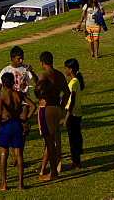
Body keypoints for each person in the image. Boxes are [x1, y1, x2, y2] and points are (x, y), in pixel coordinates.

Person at [0, 72, 35, 191]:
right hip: (17, 124)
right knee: (18, 154)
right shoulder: (19, 95)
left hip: (6, 125)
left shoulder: (2, 98)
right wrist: (26, 117)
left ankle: (4, 183)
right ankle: (20, 183)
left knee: (4, 153)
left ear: (3, 84)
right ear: (13, 82)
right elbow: (33, 106)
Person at [34, 51, 70, 181]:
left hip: (47, 108)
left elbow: (37, 89)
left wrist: (40, 98)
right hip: (57, 109)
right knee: (53, 139)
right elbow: (67, 92)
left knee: (49, 142)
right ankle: (52, 170)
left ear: (42, 63)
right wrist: (61, 106)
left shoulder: (45, 75)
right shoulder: (59, 75)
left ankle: (53, 172)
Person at [62, 58, 85, 172]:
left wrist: (66, 117)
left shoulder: (73, 83)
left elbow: (71, 101)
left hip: (73, 114)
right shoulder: (77, 81)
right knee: (77, 137)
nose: (65, 70)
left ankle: (75, 162)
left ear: (70, 69)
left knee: (73, 139)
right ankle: (77, 160)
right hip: (78, 112)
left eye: (66, 68)